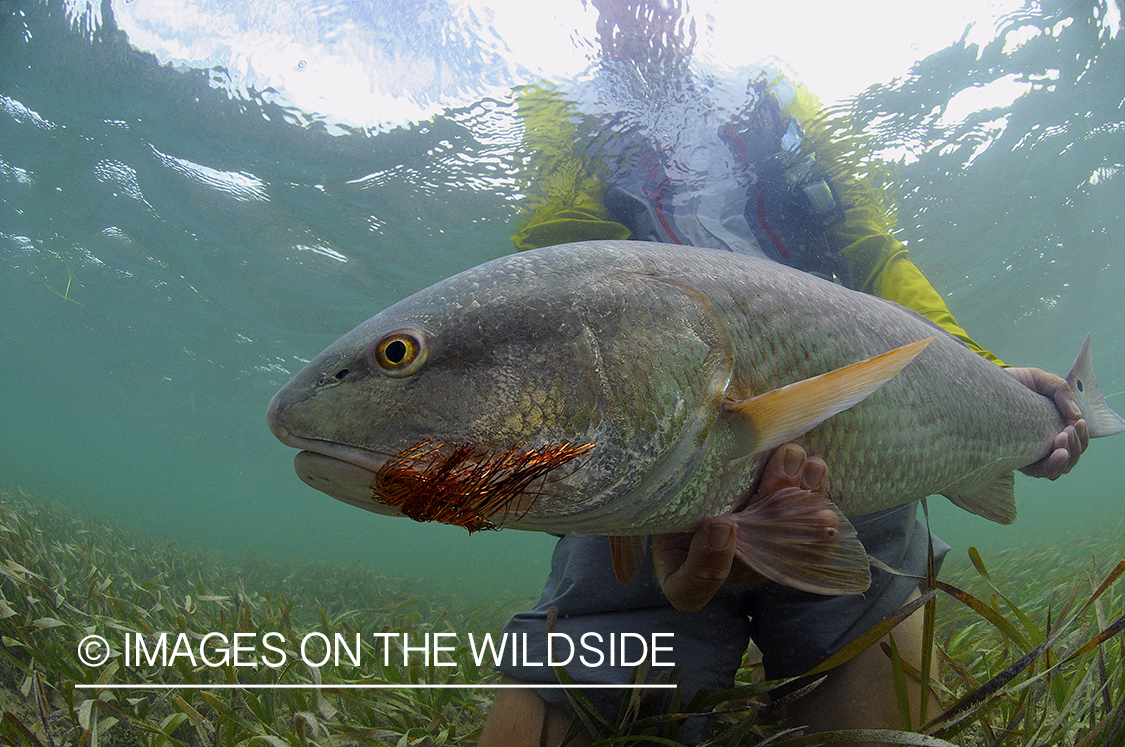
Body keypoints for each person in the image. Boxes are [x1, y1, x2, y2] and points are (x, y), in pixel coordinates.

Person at [479, 2, 1089, 745]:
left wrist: (990, 380)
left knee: (870, 686)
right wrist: (645, 499)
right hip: (642, 439)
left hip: (851, 428)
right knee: (588, 677)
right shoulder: (558, 105)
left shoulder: (773, 88)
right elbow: (564, 285)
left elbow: (869, 248)